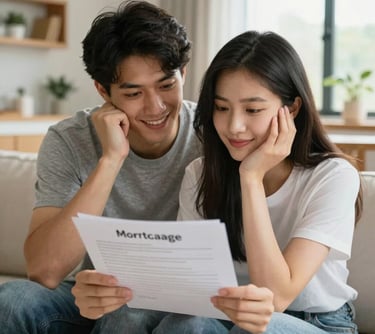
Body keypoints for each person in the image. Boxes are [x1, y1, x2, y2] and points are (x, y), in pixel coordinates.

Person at [0, 2, 273, 334]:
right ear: (103, 91)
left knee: (131, 314)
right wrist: (111, 159)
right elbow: (44, 270)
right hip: (101, 298)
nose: (155, 106)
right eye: (133, 92)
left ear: (183, 74)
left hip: (185, 305)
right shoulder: (70, 140)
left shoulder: (218, 134)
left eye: (166, 85)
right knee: (12, 301)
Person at [178, 30, 363, 334]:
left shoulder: (333, 176)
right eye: (222, 108)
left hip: (319, 323)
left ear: (291, 109)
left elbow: (276, 297)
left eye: (252, 110)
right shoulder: (199, 174)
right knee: (165, 322)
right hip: (227, 316)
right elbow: (194, 284)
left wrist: (251, 177)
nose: (234, 126)